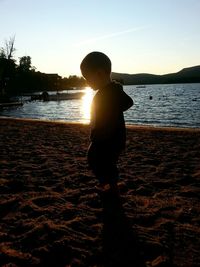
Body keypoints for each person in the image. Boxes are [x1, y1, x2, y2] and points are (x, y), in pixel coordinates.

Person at [80, 51, 133, 192]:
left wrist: (116, 94)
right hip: (102, 136)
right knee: (98, 160)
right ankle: (109, 184)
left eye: (87, 78)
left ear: (99, 73)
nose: (86, 82)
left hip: (112, 138)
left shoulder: (112, 90)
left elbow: (128, 102)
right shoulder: (103, 92)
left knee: (100, 160)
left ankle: (111, 186)